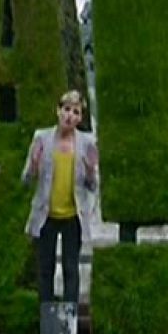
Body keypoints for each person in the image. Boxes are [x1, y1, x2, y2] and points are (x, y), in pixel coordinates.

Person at [22, 89, 100, 305]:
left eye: (75, 112)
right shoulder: (42, 138)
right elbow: (26, 179)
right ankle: (47, 323)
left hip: (73, 215)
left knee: (70, 269)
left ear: (80, 117)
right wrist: (34, 165)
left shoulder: (87, 142)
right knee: (45, 270)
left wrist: (92, 171)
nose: (70, 116)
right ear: (58, 111)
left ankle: (69, 324)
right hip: (46, 214)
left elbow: (93, 187)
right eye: (66, 110)